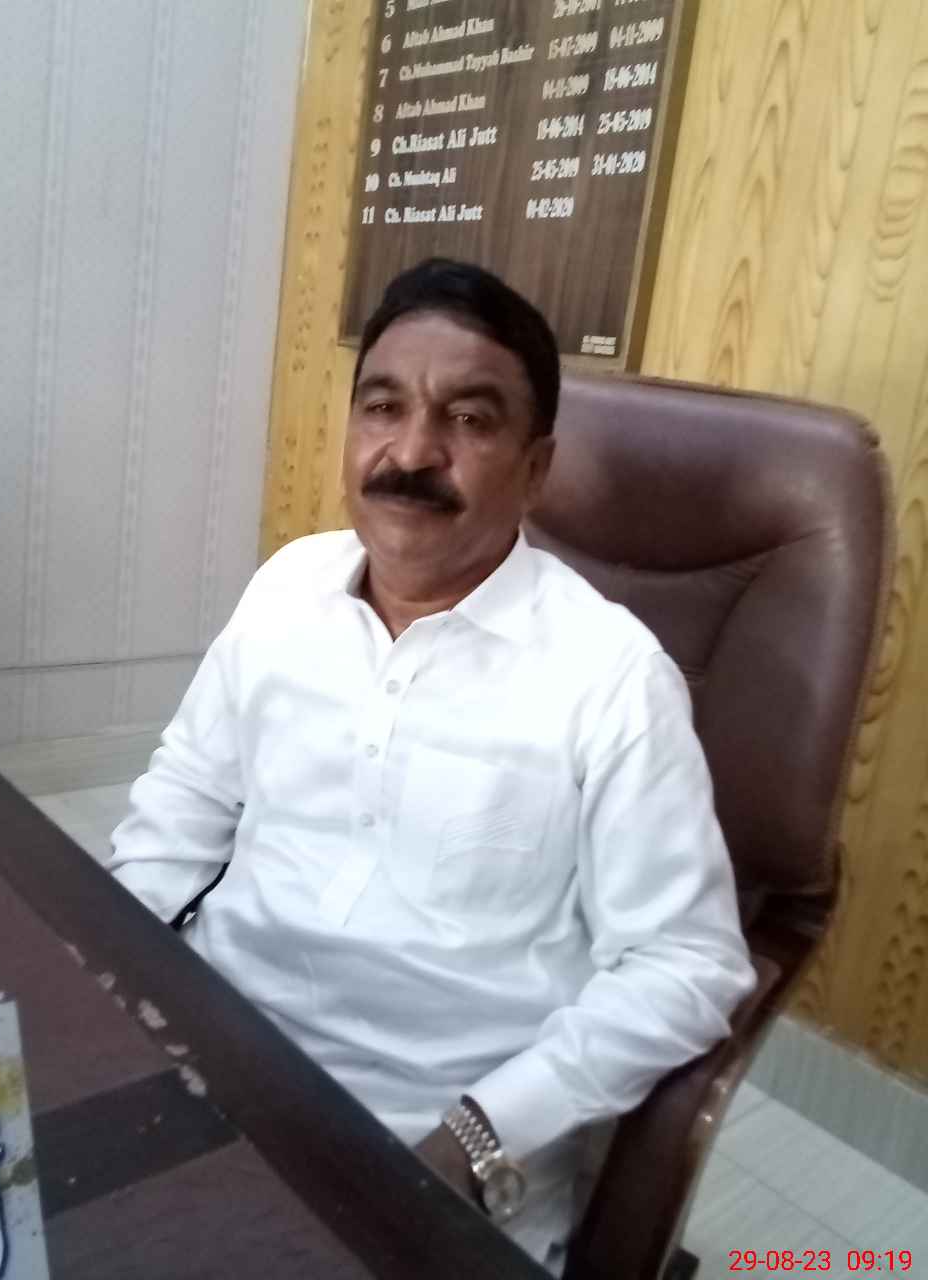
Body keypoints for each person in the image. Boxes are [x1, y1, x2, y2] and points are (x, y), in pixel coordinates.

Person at [109, 258, 755, 1272]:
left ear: (536, 469)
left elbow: (688, 965)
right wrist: (111, 982)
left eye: (470, 419)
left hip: (420, 1144)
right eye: (383, 407)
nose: (411, 453)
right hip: (210, 1058)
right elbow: (183, 805)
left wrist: (475, 1139)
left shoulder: (614, 678)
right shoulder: (287, 588)